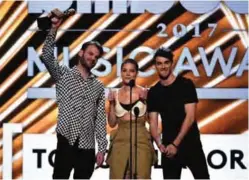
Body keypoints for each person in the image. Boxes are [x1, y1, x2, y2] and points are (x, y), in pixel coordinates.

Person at [41, 9, 107, 179]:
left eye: (96, 57)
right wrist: (54, 28)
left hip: (87, 145)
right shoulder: (63, 74)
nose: (93, 58)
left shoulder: (98, 86)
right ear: (81, 53)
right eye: (90, 53)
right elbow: (47, 55)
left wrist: (101, 148)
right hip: (66, 140)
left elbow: (100, 119)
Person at [147, 47, 210, 179]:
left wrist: (176, 143)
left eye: (166, 62)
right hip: (168, 146)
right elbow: (153, 122)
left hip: (191, 142)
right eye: (159, 63)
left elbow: (190, 116)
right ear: (155, 66)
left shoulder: (186, 85)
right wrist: (160, 144)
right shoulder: (154, 92)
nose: (163, 66)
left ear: (172, 64)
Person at [106, 59, 157, 179]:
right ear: (121, 73)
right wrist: (112, 104)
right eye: (124, 70)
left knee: (142, 176)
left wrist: (147, 101)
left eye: (131, 71)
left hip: (141, 138)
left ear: (136, 73)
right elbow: (112, 123)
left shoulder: (145, 92)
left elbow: (152, 121)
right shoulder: (115, 93)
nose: (128, 74)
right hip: (120, 140)